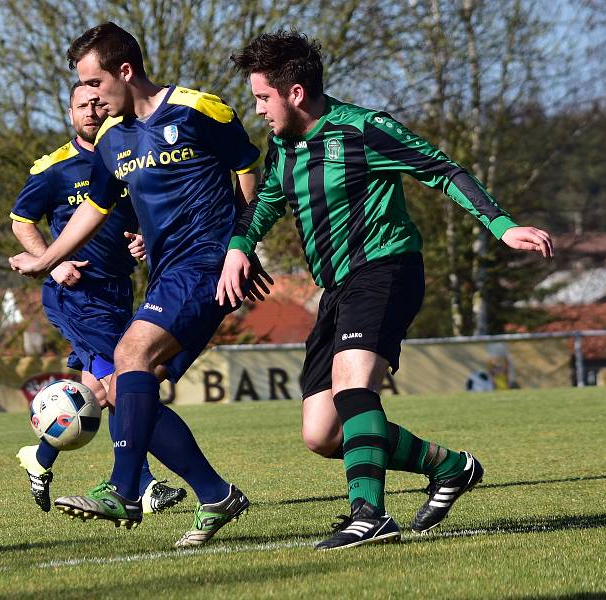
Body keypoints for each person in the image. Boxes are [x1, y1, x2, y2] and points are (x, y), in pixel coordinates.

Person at [218, 31, 554, 551]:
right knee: (323, 434)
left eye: (263, 97)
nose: (258, 108)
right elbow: (266, 201)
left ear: (296, 93)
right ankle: (449, 467)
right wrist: (240, 244)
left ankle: (369, 514)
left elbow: (443, 170)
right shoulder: (280, 146)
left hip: (386, 269)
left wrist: (501, 225)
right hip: (335, 288)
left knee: (355, 387)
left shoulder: (364, 129)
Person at [9, 23, 271, 548]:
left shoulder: (201, 111)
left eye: (95, 82)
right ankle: (216, 493)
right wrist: (48, 259)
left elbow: (248, 170)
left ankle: (125, 489)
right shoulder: (112, 141)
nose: (91, 96)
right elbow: (95, 208)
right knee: (131, 383)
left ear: (125, 72)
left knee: (130, 353)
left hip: (205, 263)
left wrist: (241, 245)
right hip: (166, 270)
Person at [10, 81, 187, 517]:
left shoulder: (124, 153)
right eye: (81, 105)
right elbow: (21, 222)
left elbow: (141, 213)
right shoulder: (53, 168)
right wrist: (51, 263)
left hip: (117, 291)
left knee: (95, 390)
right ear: (70, 113)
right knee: (123, 382)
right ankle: (142, 486)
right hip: (76, 296)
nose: (91, 111)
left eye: (96, 103)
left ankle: (40, 458)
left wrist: (142, 239)